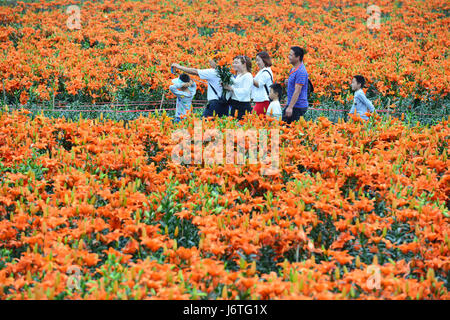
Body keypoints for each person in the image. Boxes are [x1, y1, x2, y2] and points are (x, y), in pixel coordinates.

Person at [282, 46, 309, 124]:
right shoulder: (294, 68)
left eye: (291, 55)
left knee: (288, 129)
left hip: (297, 107)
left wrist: (290, 107)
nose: (288, 57)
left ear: (298, 57)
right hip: (293, 105)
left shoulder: (301, 71)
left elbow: (297, 91)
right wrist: (289, 82)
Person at [223, 55, 253, 120]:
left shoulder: (248, 75)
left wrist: (231, 88)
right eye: (233, 63)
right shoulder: (239, 76)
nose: (234, 64)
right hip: (235, 104)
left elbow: (246, 91)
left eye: (236, 63)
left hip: (242, 106)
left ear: (244, 64)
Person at [252, 51, 273, 116]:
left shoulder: (266, 72)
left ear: (264, 60)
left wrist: (249, 76)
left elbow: (259, 84)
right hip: (260, 101)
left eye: (258, 60)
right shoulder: (263, 71)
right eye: (256, 61)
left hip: (263, 101)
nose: (257, 63)